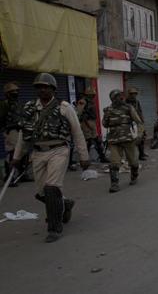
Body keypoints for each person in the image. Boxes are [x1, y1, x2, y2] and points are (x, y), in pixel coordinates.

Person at [11, 73, 90, 243]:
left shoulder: (64, 107)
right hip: (38, 152)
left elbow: (77, 131)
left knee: (51, 188)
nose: (42, 90)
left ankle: (54, 227)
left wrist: (84, 156)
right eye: (39, 87)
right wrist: (17, 157)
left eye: (46, 87)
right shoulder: (30, 108)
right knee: (41, 193)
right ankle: (65, 204)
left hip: (58, 150)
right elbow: (22, 135)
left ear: (53, 89)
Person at [102, 89, 143, 193]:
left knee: (133, 162)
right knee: (114, 163)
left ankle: (134, 175)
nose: (121, 98)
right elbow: (105, 124)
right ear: (113, 98)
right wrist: (106, 115)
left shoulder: (128, 108)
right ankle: (114, 184)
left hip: (128, 139)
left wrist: (139, 134)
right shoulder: (108, 110)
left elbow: (139, 122)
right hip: (114, 140)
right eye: (118, 96)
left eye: (121, 96)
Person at [1, 82, 31, 186]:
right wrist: (6, 128)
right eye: (12, 92)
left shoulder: (19, 103)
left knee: (23, 152)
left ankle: (22, 174)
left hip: (21, 131)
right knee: (12, 153)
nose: (15, 93)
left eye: (16, 91)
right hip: (11, 132)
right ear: (7, 93)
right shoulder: (4, 105)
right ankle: (9, 177)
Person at [76, 86, 109, 163]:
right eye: (92, 95)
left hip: (92, 123)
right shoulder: (83, 101)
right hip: (86, 123)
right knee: (88, 142)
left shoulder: (90, 101)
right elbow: (78, 113)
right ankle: (85, 159)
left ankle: (102, 157)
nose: (93, 96)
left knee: (97, 141)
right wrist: (82, 121)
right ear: (88, 95)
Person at [126, 87, 149, 161]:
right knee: (131, 140)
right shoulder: (126, 102)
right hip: (130, 123)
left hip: (137, 122)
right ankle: (131, 156)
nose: (133, 95)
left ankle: (141, 154)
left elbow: (140, 111)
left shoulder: (137, 102)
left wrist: (142, 121)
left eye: (135, 94)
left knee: (141, 138)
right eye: (132, 94)